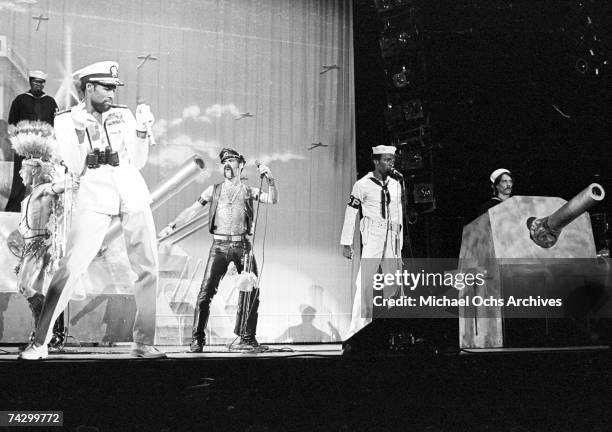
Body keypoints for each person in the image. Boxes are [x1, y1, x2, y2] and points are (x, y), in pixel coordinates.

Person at [20, 61, 164, 360]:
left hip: (130, 187)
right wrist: (81, 134)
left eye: (114, 87)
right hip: (93, 191)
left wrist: (141, 130)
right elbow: (74, 165)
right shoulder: (64, 120)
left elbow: (136, 161)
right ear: (89, 87)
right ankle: (40, 342)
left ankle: (144, 341)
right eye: (107, 87)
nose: (112, 92)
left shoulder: (123, 114)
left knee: (147, 266)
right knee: (71, 267)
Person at [158, 148, 278, 352]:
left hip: (242, 246)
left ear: (240, 165)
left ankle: (247, 338)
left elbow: (272, 199)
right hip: (219, 247)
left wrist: (272, 182)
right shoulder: (212, 191)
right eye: (224, 162)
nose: (227, 165)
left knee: (252, 291)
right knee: (205, 293)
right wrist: (172, 225)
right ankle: (197, 339)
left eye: (231, 161)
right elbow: (192, 210)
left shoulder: (249, 191)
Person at [8, 120, 67, 350]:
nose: (20, 172)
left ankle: (46, 326)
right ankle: (41, 334)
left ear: (33, 171)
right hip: (31, 245)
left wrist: (71, 175)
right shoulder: (32, 192)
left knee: (24, 286)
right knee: (32, 287)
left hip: (39, 246)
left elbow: (60, 186)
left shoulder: (44, 189)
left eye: (24, 169)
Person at [340, 145, 404, 338]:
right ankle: (357, 330)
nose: (390, 164)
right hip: (373, 234)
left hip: (392, 236)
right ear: (376, 161)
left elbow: (399, 213)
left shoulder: (395, 184)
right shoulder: (362, 184)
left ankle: (395, 329)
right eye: (386, 160)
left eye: (392, 160)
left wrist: (399, 245)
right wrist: (346, 242)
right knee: (366, 282)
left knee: (393, 282)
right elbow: (351, 212)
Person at [6, 70, 58, 212]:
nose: (38, 85)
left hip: (44, 147)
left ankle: (44, 209)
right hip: (24, 146)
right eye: (35, 82)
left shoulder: (50, 102)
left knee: (44, 176)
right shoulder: (20, 100)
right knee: (20, 178)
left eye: (41, 83)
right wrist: (17, 139)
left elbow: (56, 124)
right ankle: (13, 210)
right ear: (30, 82)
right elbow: (12, 123)